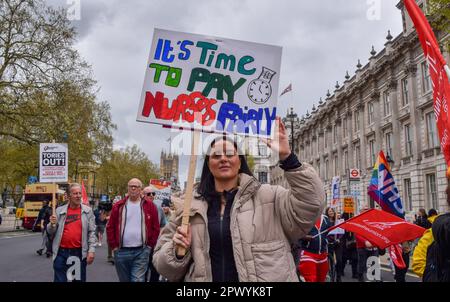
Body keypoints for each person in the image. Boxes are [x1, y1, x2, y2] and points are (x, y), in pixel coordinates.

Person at [153, 117, 325, 282]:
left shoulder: (270, 196)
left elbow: (312, 204)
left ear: (240, 161)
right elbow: (163, 267)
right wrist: (177, 252)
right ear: (208, 164)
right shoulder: (188, 207)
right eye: (216, 155)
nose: (223, 159)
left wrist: (288, 158)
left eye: (230, 154)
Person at [106, 178, 160, 282]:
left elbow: (156, 227)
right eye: (131, 186)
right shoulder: (119, 206)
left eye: (136, 186)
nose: (133, 188)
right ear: (128, 188)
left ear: (141, 190)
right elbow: (110, 227)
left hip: (141, 251)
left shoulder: (150, 206)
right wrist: (114, 246)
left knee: (137, 280)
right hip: (121, 251)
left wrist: (149, 246)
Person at [47, 183, 96, 282]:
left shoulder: (87, 211)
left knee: (77, 280)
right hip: (61, 252)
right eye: (75, 193)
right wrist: (52, 224)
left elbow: (91, 232)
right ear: (69, 195)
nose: (78, 196)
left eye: (79, 193)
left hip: (77, 253)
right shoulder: (59, 211)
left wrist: (91, 250)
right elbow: (51, 232)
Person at [298, 213, 331, 282]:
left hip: (322, 254)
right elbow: (295, 233)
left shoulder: (325, 218)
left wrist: (330, 239)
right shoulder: (304, 217)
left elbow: (330, 233)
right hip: (308, 253)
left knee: (321, 279)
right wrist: (305, 237)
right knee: (311, 279)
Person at [143, 186, 165, 282]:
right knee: (143, 269)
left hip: (155, 245)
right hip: (142, 245)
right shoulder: (139, 207)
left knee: (155, 268)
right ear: (143, 195)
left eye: (153, 194)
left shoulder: (159, 208)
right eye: (148, 194)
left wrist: (160, 237)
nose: (151, 195)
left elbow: (163, 224)